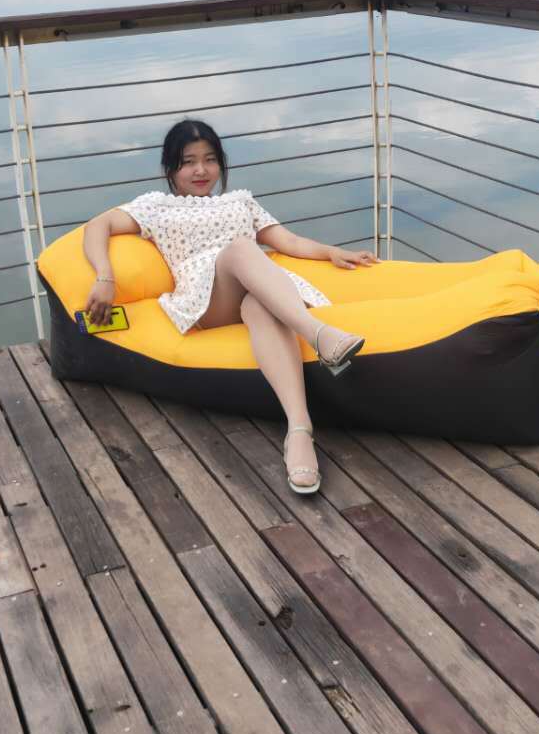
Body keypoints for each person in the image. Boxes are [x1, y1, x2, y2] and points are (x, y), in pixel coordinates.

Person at [81, 118, 379, 495]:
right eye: (188, 162)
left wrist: (332, 252)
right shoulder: (155, 207)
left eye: (210, 159)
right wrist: (105, 277)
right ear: (170, 168)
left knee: (259, 304)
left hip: (255, 289)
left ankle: (299, 430)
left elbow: (288, 241)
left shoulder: (241, 202)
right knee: (241, 247)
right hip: (207, 300)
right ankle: (318, 335)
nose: (201, 170)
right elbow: (97, 226)